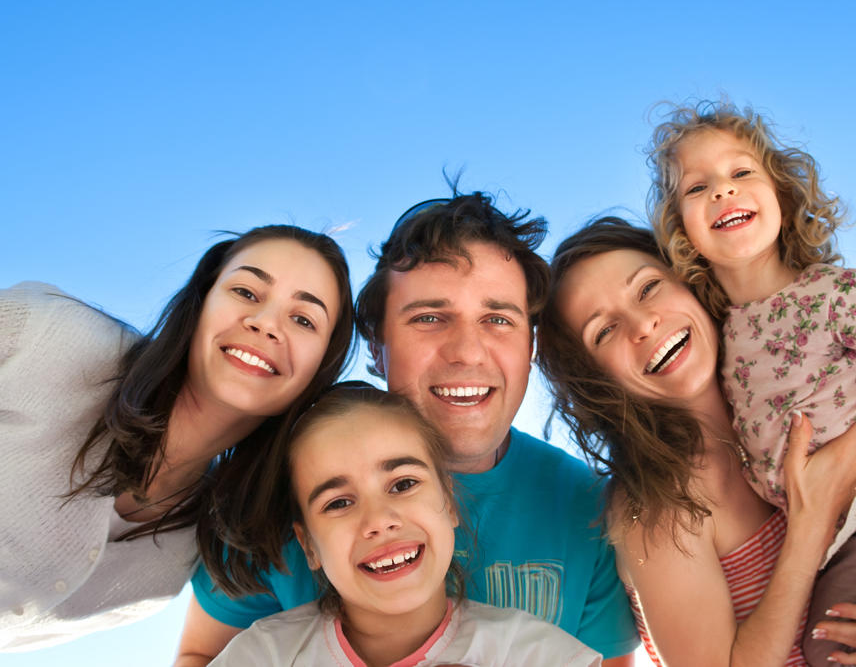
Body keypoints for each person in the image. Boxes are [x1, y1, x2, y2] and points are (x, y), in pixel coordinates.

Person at [176, 193, 639, 666]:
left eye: (498, 319)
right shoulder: (279, 486)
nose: (468, 351)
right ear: (377, 346)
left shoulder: (588, 508)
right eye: (430, 318)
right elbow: (202, 655)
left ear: (531, 346)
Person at [537, 217, 856, 667]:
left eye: (648, 287)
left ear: (690, 282)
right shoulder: (656, 507)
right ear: (593, 380)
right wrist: (809, 523)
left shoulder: (781, 422)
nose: (642, 324)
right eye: (604, 331)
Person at [646, 102, 856, 663]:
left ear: (781, 193)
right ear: (680, 228)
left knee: (832, 645)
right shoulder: (717, 335)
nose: (722, 193)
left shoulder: (837, 294)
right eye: (697, 187)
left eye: (741, 173)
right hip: (825, 526)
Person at [0, 225, 354, 652]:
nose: (265, 324)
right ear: (200, 302)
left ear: (320, 368)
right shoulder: (49, 335)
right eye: (246, 292)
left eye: (303, 320)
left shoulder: (186, 552)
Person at [209, 381, 601, 666]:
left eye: (403, 484)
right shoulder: (263, 655)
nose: (379, 521)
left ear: (448, 503)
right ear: (308, 544)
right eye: (339, 502)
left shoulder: (536, 654)